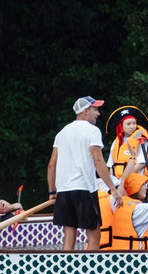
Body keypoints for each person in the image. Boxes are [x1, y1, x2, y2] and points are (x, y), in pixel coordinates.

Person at [48, 97, 119, 251]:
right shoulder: (92, 130)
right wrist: (113, 189)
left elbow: (51, 165)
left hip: (64, 191)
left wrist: (52, 192)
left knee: (69, 233)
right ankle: (91, 264)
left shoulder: (62, 133)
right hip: (84, 189)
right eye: (95, 109)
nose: (98, 114)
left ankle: (65, 264)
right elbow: (98, 160)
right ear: (86, 111)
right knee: (94, 233)